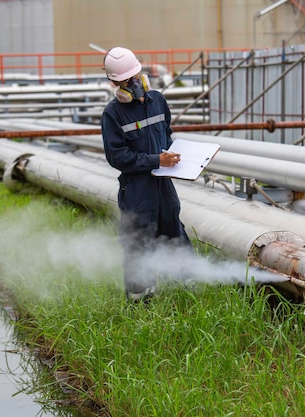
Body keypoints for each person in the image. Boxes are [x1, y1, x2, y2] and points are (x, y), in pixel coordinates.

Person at [100, 46, 192, 302]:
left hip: (164, 187)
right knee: (138, 243)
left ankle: (186, 293)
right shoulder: (113, 114)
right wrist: (155, 160)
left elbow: (167, 134)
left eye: (135, 76)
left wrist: (179, 155)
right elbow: (117, 157)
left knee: (174, 232)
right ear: (114, 83)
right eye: (125, 81)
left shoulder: (158, 101)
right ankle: (140, 302)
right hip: (137, 191)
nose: (133, 84)